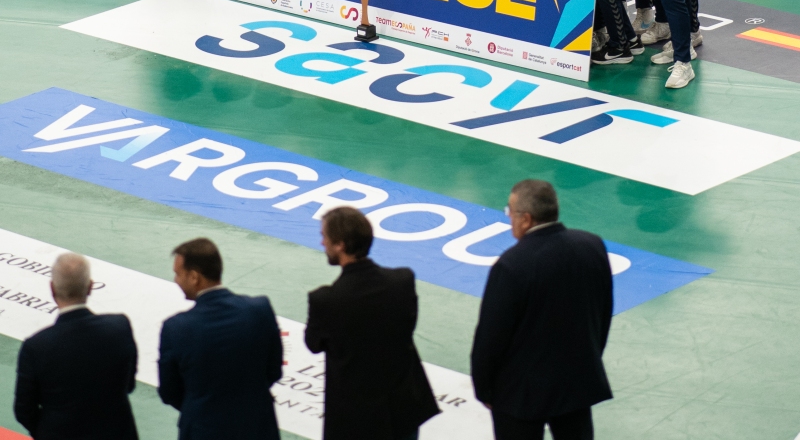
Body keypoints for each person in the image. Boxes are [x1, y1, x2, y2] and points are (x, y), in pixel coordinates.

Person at [471, 179, 612, 440]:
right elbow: (602, 315)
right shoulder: (592, 246)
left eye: (510, 212)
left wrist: (484, 389)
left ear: (525, 219)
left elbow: (491, 336)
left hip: (520, 395)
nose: (509, 217)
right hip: (575, 384)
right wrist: (588, 359)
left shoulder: (512, 265)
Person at [305, 206, 440, 440]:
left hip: (356, 420)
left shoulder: (325, 301)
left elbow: (314, 344)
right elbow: (408, 324)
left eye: (324, 236)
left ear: (340, 245)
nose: (321, 243)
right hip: (401, 411)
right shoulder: (402, 281)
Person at [158, 237, 283, 440]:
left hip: (203, 431)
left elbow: (169, 392)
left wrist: (200, 407)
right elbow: (273, 370)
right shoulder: (260, 310)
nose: (175, 280)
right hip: (257, 428)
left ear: (194, 277)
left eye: (178, 274)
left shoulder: (176, 328)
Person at [14, 251, 138, 440]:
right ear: (90, 287)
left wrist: (49, 432)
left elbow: (24, 409)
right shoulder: (120, 327)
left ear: (52, 289)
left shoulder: (36, 347)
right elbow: (127, 385)